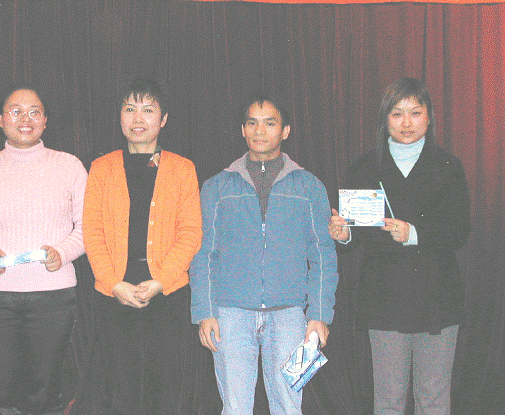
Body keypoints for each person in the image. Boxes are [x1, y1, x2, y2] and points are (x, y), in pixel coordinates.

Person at [328, 77, 471, 414]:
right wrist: (343, 234)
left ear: (429, 117)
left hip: (436, 297)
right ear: (385, 119)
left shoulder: (448, 167)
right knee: (388, 400)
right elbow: (355, 236)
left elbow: (459, 231)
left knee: (433, 398)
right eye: (397, 113)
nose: (407, 123)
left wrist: (415, 234)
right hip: (385, 298)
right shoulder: (365, 167)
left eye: (415, 113)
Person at [190, 94, 339, 415]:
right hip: (230, 315)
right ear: (242, 129)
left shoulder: (309, 187)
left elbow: (323, 255)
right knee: (235, 408)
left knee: (289, 407)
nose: (260, 131)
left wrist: (319, 315)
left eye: (270, 123)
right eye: (252, 123)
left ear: (285, 130)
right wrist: (205, 311)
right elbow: (203, 253)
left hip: (290, 316)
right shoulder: (217, 187)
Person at [0, 85, 88, 415]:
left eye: (34, 112)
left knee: (48, 390)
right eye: (15, 111)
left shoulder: (69, 166)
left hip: (53, 297)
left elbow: (89, 228)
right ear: (0, 119)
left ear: (45, 120)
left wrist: (63, 252)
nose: (25, 119)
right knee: (2, 391)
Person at [82, 77, 202, 415]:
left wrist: (161, 280)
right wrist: (113, 283)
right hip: (114, 291)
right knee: (118, 388)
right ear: (120, 117)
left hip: (167, 292)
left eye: (148, 110)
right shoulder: (102, 168)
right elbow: (92, 231)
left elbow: (190, 232)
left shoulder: (182, 169)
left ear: (163, 119)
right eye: (129, 109)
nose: (138, 118)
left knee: (165, 390)